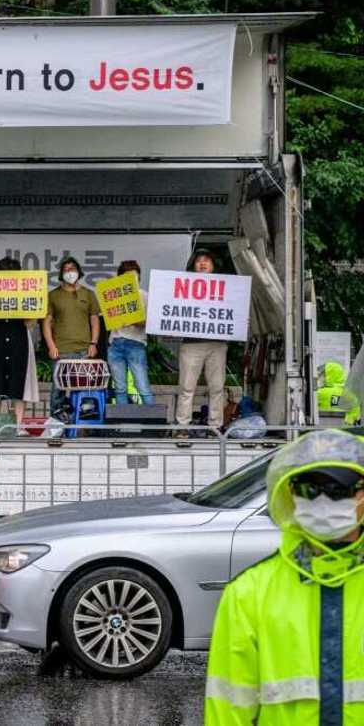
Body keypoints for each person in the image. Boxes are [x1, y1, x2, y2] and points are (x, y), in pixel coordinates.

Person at [205, 429, 364, 724]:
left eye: (338, 489)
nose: (323, 501)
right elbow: (227, 708)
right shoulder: (249, 593)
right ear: (290, 493)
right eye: (309, 489)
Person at [0, 256, 40, 428]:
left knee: (19, 383)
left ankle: (17, 425)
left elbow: (31, 322)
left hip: (19, 340)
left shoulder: (27, 293)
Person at [175, 249, 228, 436]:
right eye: (199, 260)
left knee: (217, 387)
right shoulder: (184, 286)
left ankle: (215, 427)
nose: (203, 263)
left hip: (217, 344)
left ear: (213, 265)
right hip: (191, 344)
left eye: (207, 260)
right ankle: (182, 426)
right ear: (193, 265)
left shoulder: (226, 287)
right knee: (186, 387)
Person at [42, 256, 100, 419]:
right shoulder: (53, 295)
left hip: (84, 350)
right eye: (66, 270)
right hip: (61, 351)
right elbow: (46, 322)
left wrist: (93, 343)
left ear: (79, 272)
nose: (69, 272)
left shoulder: (88, 294)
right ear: (61, 274)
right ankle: (56, 423)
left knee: (85, 390)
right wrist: (51, 346)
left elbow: (95, 320)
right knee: (58, 390)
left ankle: (83, 424)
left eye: (72, 269)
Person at [107, 260, 154, 406]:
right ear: (120, 278)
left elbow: (151, 323)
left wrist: (133, 320)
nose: (131, 279)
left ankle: (153, 418)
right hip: (116, 343)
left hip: (136, 344)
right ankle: (122, 418)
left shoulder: (145, 296)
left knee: (142, 386)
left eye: (134, 276)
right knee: (120, 388)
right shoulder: (113, 295)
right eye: (127, 276)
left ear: (139, 277)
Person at [317, 360, 361, 425]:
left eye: (323, 375)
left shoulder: (321, 393)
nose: (321, 378)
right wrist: (348, 422)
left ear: (329, 376)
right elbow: (356, 413)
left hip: (323, 425)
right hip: (344, 427)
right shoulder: (349, 394)